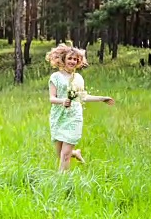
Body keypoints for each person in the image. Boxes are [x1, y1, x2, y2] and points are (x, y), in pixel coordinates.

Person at [45, 44, 115, 172]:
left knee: (65, 156)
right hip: (58, 117)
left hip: (74, 117)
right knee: (60, 153)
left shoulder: (78, 78)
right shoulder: (55, 77)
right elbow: (52, 98)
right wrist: (62, 101)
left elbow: (82, 97)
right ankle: (75, 153)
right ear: (63, 59)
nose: (72, 61)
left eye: (75, 59)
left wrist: (102, 98)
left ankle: (62, 183)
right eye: (70, 58)